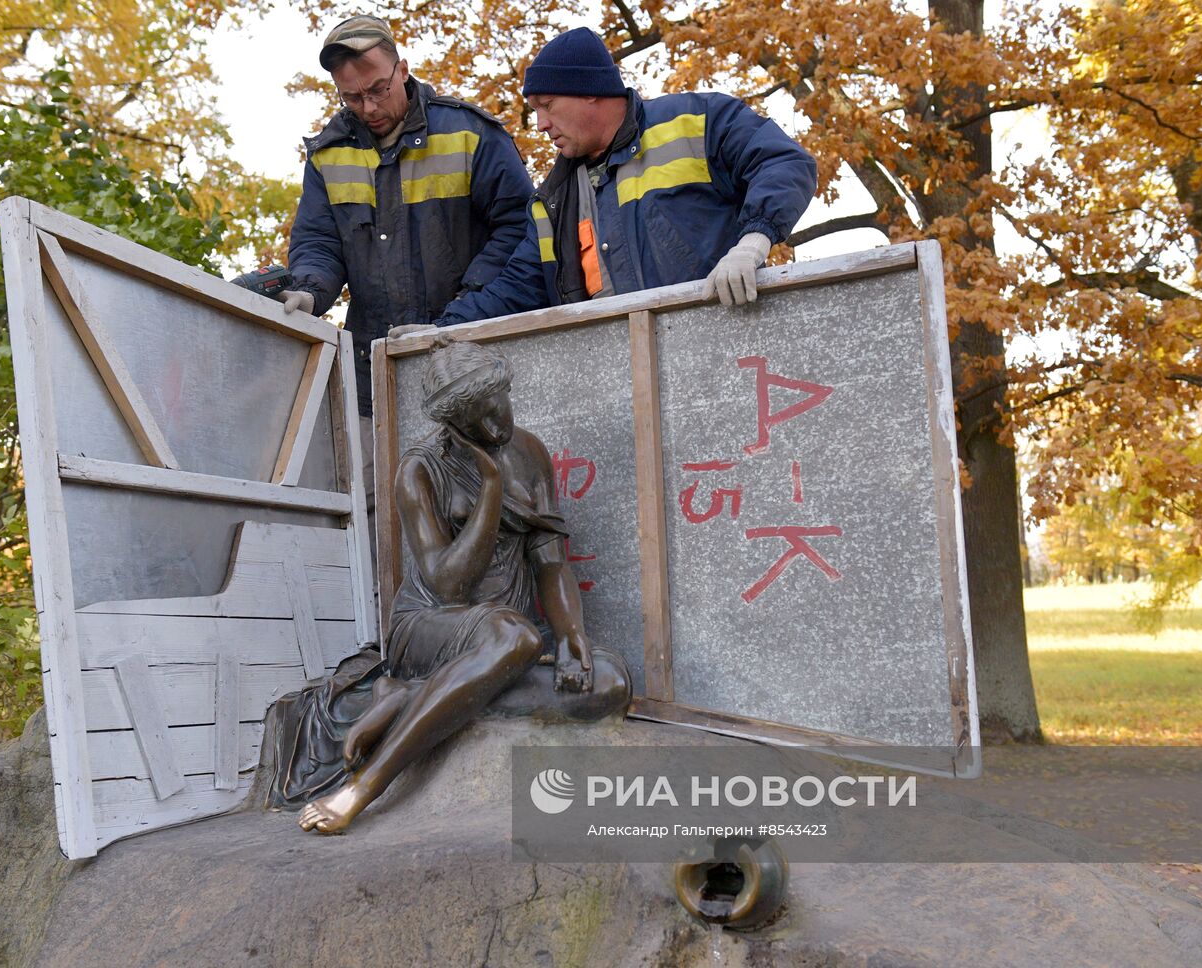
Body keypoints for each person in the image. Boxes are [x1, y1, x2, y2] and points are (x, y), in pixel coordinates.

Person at [295, 338, 630, 833]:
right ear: (451, 424)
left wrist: (570, 634)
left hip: (504, 637)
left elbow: (551, 561)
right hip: (433, 625)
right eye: (478, 420)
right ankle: (365, 785)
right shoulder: (419, 470)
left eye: (499, 408)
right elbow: (449, 583)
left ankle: (410, 699)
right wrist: (490, 488)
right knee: (514, 636)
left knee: (609, 682)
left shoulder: (532, 453)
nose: (496, 427)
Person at [430, 26, 817, 327]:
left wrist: (753, 242)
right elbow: (517, 287)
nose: (541, 124)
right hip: (621, 377)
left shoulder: (697, 121)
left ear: (590, 92)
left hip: (723, 342)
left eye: (547, 105)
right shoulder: (553, 199)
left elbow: (785, 163)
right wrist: (438, 332)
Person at [268, 14, 534, 432]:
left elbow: (521, 229)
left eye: (378, 90)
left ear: (402, 70)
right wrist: (309, 290)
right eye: (352, 98)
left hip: (471, 362)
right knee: (375, 494)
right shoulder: (327, 155)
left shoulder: (470, 133)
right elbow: (319, 241)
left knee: (477, 488)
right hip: (372, 374)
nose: (369, 108)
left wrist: (465, 310)